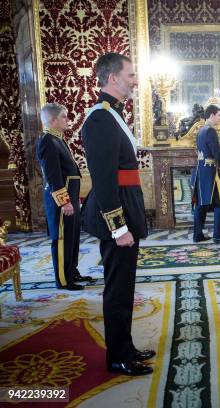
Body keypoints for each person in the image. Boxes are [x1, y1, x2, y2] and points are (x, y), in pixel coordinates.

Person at [81, 52, 154, 376]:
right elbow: (104, 179)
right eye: (130, 75)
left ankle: (125, 347)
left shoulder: (112, 115)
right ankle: (118, 357)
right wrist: (117, 227)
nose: (135, 81)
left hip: (127, 205)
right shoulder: (99, 117)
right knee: (118, 287)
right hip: (117, 212)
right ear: (112, 78)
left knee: (126, 285)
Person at [36, 103, 93, 290]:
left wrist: (74, 198)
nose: (67, 120)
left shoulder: (58, 140)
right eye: (64, 117)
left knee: (72, 237)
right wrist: (64, 201)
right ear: (52, 120)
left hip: (70, 199)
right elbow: (53, 176)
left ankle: (71, 272)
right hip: (61, 202)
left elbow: (68, 172)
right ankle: (63, 279)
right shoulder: (47, 141)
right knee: (61, 239)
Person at [191, 104, 220, 243]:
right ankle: (219, 235)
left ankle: (197, 235)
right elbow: (217, 153)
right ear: (211, 115)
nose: (219, 119)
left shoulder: (200, 131)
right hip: (211, 172)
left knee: (201, 204)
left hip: (200, 171)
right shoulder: (210, 131)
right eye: (218, 116)